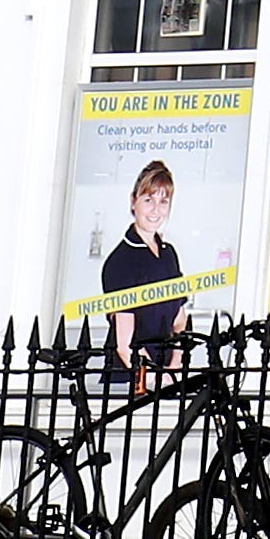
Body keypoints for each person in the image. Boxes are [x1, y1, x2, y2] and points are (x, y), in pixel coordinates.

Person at [98, 157, 187, 383]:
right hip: (130, 380)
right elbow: (124, 345)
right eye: (148, 199)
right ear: (133, 202)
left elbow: (179, 320)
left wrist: (174, 364)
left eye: (163, 201)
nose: (156, 210)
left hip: (166, 377)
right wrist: (154, 377)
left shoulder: (168, 255)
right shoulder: (120, 262)